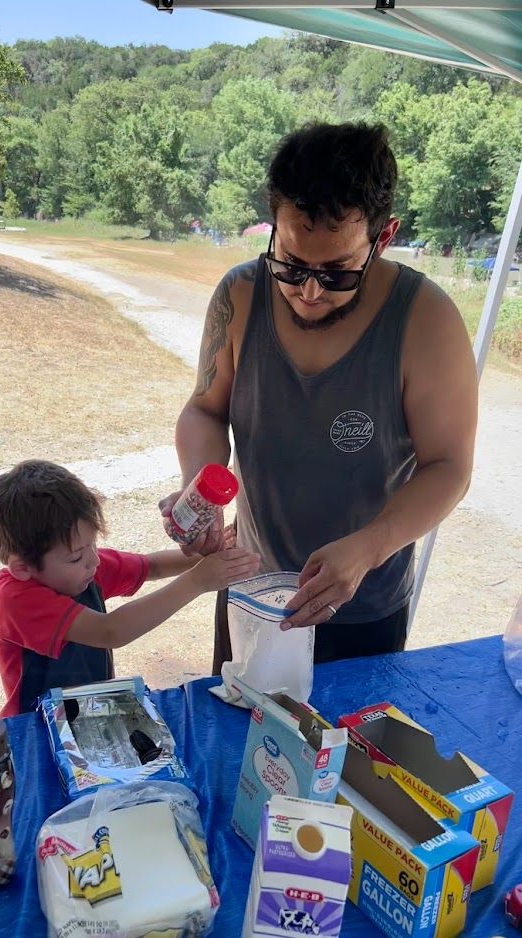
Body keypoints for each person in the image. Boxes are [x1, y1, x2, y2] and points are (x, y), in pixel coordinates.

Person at [159, 122, 477, 671]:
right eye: (290, 263)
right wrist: (200, 486)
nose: (307, 291)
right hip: (251, 592)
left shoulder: (426, 320)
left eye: (336, 272)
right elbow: (205, 410)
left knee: (350, 756)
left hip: (363, 606)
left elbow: (448, 466)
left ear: (384, 236)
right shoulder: (239, 294)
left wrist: (370, 547)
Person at [0, 459, 259, 716]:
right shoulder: (16, 600)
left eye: (93, 544)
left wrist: (206, 557)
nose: (93, 560)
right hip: (33, 730)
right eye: (77, 555)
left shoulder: (82, 567)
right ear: (22, 568)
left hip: (88, 712)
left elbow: (152, 566)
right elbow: (110, 630)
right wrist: (198, 580)